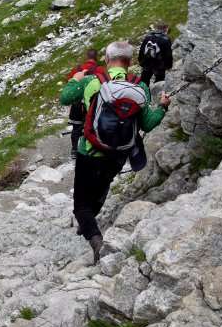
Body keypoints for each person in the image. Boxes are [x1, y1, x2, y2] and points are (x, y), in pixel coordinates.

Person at [60, 41, 170, 265]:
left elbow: (65, 97)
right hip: (119, 154)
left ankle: (94, 238)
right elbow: (147, 125)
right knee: (100, 191)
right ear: (129, 63)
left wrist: (75, 79)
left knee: (80, 204)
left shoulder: (92, 81)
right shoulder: (140, 87)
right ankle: (89, 223)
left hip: (89, 150)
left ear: (107, 60)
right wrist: (163, 107)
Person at [65, 50, 99, 159]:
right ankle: (91, 149)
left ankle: (74, 150)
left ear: (86, 57)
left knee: (76, 128)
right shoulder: (99, 70)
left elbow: (70, 81)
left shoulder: (79, 69)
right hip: (92, 103)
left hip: (77, 104)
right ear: (96, 58)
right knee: (92, 125)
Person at [138, 22, 173, 86]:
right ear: (166, 29)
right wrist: (169, 66)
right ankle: (156, 93)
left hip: (147, 62)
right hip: (159, 64)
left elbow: (142, 50)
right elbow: (168, 55)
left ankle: (142, 92)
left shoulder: (148, 37)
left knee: (144, 80)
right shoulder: (166, 39)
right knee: (159, 81)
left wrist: (141, 61)